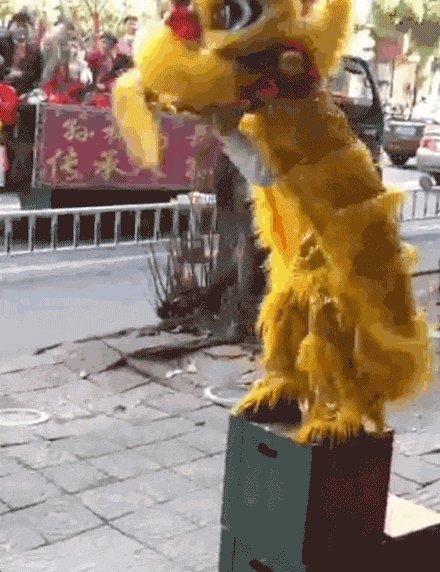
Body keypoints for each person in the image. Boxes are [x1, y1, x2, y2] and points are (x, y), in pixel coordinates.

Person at [1, 12, 43, 96]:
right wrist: (7, 73)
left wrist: (30, 91)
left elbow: (38, 74)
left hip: (25, 92)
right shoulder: (2, 43)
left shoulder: (34, 48)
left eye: (24, 26)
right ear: (11, 26)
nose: (21, 29)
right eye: (18, 25)